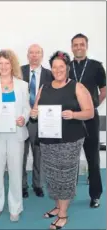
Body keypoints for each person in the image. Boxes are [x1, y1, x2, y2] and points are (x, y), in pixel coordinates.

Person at [31, 51, 94, 229]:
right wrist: (33, 114)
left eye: (61, 67)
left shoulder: (77, 87)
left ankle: (63, 213)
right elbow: (35, 110)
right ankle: (58, 206)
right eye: (54, 67)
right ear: (50, 69)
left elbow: (89, 112)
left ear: (67, 68)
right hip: (47, 139)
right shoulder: (44, 87)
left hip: (70, 140)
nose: (57, 70)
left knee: (65, 176)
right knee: (51, 175)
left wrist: (73, 114)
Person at [0, 49, 30, 222]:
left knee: (15, 171)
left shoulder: (22, 85)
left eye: (7, 63)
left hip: (16, 134)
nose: (3, 66)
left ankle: (15, 207)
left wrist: (23, 118)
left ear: (12, 65)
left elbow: (26, 108)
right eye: (0, 63)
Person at [69, 33, 106, 208]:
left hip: (90, 118)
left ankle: (95, 195)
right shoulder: (65, 67)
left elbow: (104, 89)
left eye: (81, 44)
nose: (78, 47)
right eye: (75, 45)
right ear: (71, 47)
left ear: (86, 46)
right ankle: (67, 193)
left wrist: (96, 103)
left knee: (93, 157)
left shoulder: (96, 66)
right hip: (70, 118)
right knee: (70, 158)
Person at [21, 44, 53, 198]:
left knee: (39, 154)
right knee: (20, 154)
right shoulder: (19, 72)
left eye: (37, 53)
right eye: (31, 53)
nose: (34, 55)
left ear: (42, 55)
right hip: (21, 120)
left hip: (42, 121)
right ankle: (22, 185)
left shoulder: (50, 74)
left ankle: (38, 184)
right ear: (27, 55)